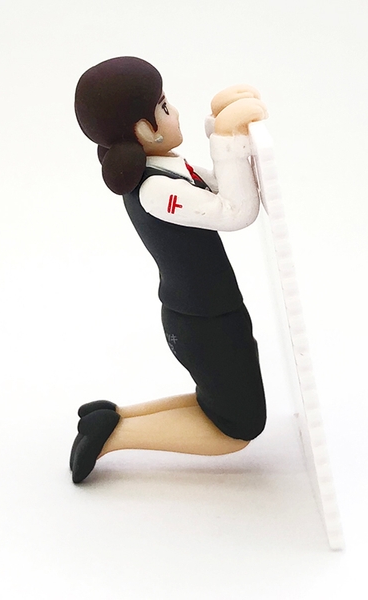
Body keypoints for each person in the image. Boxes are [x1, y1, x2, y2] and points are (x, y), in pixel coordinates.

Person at [71, 56, 268, 483]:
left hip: (207, 311)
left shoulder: (164, 167)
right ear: (146, 130)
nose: (174, 111)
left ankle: (113, 418)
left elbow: (217, 187)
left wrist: (220, 127)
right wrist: (227, 141)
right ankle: (112, 436)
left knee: (216, 403)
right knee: (237, 426)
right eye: (163, 107)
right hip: (203, 318)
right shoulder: (155, 190)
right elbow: (235, 211)